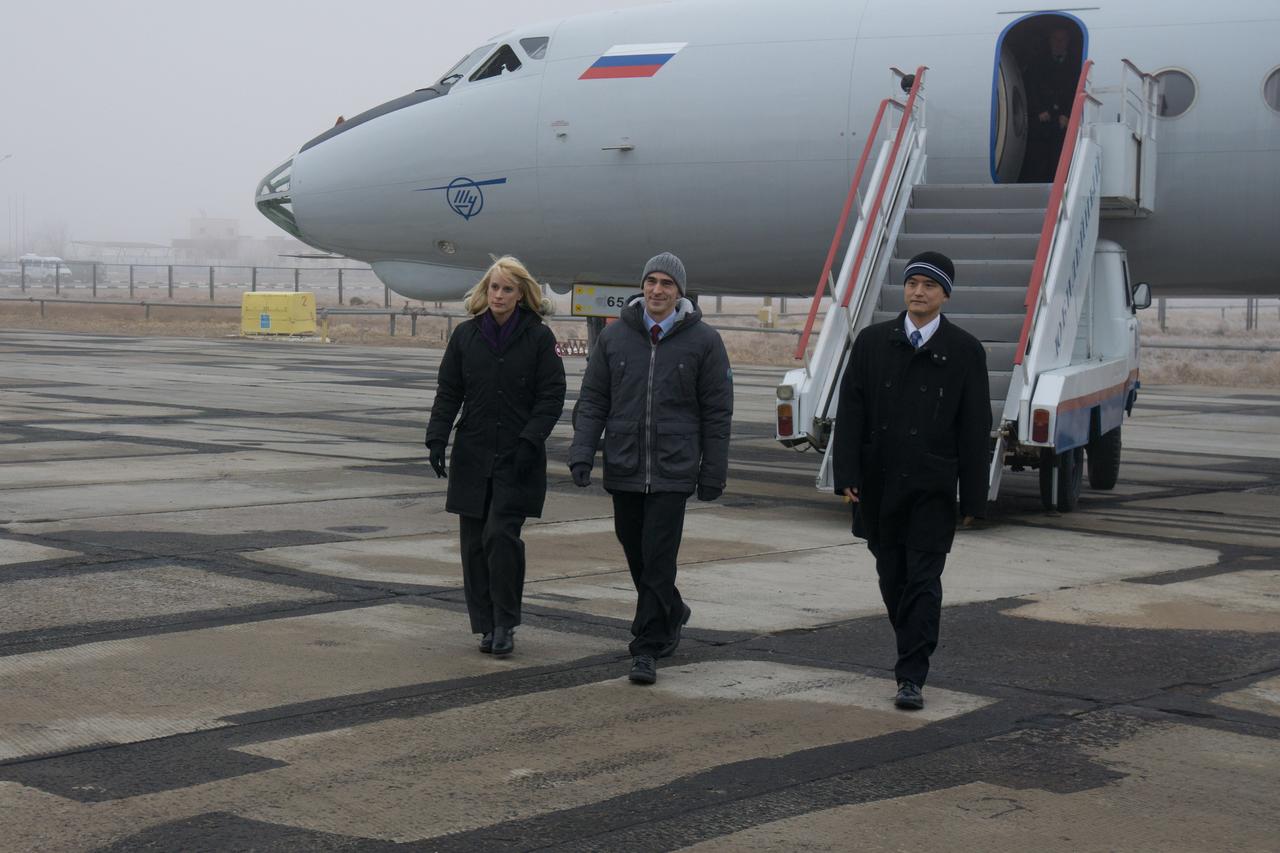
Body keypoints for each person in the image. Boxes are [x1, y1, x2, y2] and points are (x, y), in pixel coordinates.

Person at [831, 251, 991, 710]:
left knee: (923, 580)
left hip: (932, 487)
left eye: (929, 285)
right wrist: (848, 474)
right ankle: (911, 648)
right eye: (912, 283)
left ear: (945, 295)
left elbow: (974, 426)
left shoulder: (964, 351)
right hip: (879, 485)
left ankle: (911, 676)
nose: (918, 292)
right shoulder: (873, 342)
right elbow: (852, 412)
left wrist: (973, 496)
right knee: (892, 578)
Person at [568, 252, 733, 685]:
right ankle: (673, 610)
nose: (658, 290)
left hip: (673, 469)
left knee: (659, 558)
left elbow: (717, 412)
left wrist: (713, 471)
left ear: (680, 292)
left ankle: (646, 646)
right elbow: (594, 400)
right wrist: (582, 451)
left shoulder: (705, 342)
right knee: (635, 550)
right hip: (623, 463)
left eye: (667, 284)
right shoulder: (615, 338)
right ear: (642, 286)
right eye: (651, 282)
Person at [425, 256, 566, 656]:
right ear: (485, 292)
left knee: (500, 536)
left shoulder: (539, 338)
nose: (499, 295)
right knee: (473, 544)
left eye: (507, 288)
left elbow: (552, 395)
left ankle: (505, 623)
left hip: (516, 456)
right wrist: (436, 438)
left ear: (522, 294)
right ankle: (485, 625)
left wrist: (531, 440)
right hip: (473, 453)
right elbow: (449, 390)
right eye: (494, 288)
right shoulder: (466, 337)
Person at [1022, 26, 1078, 182]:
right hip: (1042, 118)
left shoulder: (1075, 64)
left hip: (1064, 120)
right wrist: (1039, 110)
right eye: (1055, 39)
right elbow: (1030, 87)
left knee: (1059, 155)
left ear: (1068, 42)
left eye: (1063, 40)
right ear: (1049, 41)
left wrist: (1067, 113)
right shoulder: (1037, 63)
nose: (1059, 43)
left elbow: (1076, 89)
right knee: (1039, 155)